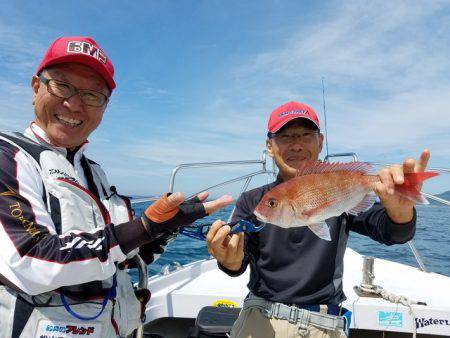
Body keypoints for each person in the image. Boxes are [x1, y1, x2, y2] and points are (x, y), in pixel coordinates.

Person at [0, 36, 232, 337]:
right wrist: (145, 227)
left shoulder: (93, 172)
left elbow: (123, 256)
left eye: (92, 95)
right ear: (36, 88)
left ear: (105, 107)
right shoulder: (9, 157)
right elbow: (32, 259)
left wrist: (167, 227)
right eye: (62, 86)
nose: (74, 103)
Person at [206, 101, 430, 338]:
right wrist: (229, 260)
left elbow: (394, 234)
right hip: (260, 317)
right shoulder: (253, 201)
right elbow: (238, 262)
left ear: (320, 142)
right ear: (269, 146)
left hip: (323, 324)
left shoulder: (341, 192)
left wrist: (400, 212)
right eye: (285, 136)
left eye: (306, 135)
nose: (296, 144)